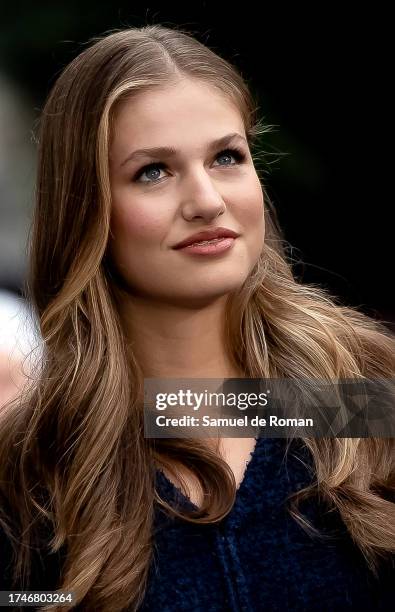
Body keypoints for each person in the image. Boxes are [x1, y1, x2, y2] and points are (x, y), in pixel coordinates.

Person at [0, 24, 394, 612]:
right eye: (153, 171)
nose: (207, 200)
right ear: (87, 208)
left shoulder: (361, 394)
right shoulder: (37, 464)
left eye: (227, 157)